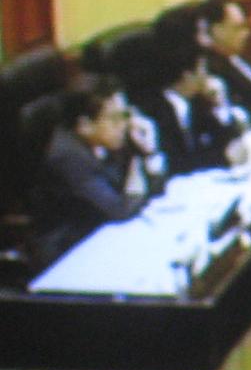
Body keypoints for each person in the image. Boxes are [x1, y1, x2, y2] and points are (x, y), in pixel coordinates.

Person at [30, 75, 165, 266]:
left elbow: (153, 190)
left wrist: (149, 151)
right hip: (71, 253)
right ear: (85, 126)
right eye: (115, 118)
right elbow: (120, 210)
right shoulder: (68, 157)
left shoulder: (107, 137)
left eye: (126, 114)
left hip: (108, 235)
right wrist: (137, 161)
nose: (124, 124)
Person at [135, 37, 249, 177]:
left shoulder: (197, 101)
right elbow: (174, 163)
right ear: (187, 75)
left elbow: (227, 140)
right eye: (203, 69)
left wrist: (221, 106)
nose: (207, 74)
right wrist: (223, 157)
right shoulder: (156, 111)